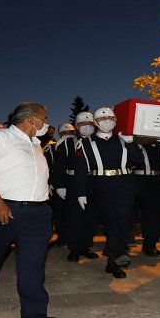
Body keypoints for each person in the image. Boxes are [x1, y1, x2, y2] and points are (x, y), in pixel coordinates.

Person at [0, 102, 57, 318]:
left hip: (37, 212)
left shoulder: (35, 144)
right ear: (30, 119)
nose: (46, 123)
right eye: (44, 118)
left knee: (33, 263)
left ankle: (33, 311)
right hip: (2, 208)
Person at [75, 107, 143, 278]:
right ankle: (113, 260)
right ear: (95, 123)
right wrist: (81, 192)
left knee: (125, 223)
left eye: (111, 118)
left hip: (125, 185)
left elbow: (139, 161)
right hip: (101, 185)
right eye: (103, 119)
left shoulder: (123, 140)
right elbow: (81, 170)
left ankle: (113, 256)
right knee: (113, 222)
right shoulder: (84, 143)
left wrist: (130, 143)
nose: (107, 121)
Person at [66, 112, 101, 261]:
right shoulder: (69, 142)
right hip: (75, 183)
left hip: (95, 183)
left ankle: (86, 246)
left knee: (91, 218)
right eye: (82, 124)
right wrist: (60, 185)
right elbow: (61, 165)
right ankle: (74, 248)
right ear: (76, 127)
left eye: (90, 124)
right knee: (75, 218)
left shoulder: (98, 141)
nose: (87, 127)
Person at [133, 141, 160, 257]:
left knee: (154, 215)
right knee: (129, 213)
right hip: (138, 179)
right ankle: (122, 242)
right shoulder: (137, 145)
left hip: (158, 181)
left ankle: (150, 244)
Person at [47, 123, 76, 247]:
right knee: (60, 212)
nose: (67, 135)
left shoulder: (79, 144)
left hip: (75, 181)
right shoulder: (53, 146)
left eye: (70, 132)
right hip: (58, 182)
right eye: (64, 133)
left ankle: (74, 236)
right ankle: (62, 236)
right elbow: (49, 166)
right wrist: (50, 183)